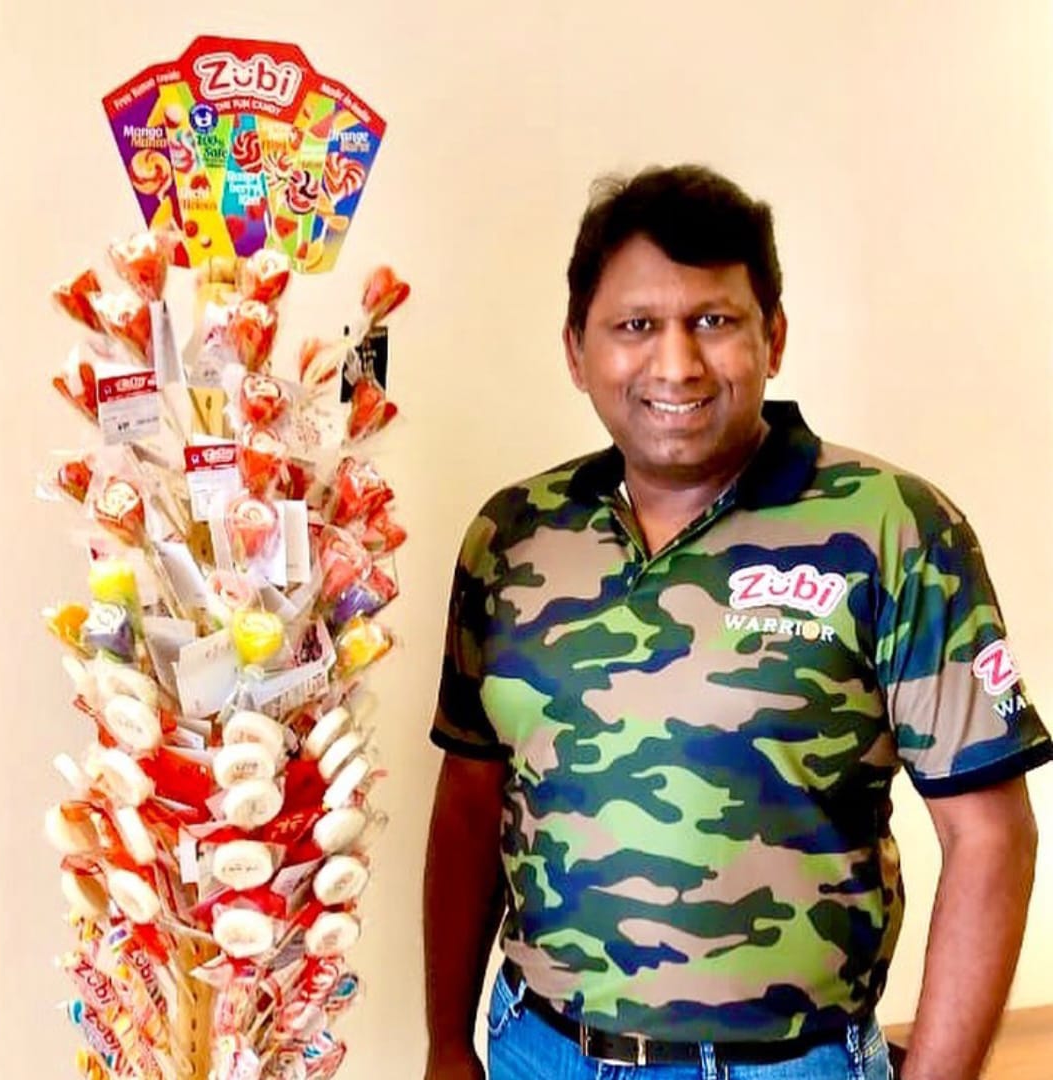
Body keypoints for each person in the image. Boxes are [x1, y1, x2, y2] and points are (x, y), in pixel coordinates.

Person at [422, 165, 1050, 1080]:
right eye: (636, 326)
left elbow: (991, 835)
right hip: (537, 1046)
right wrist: (447, 1042)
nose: (676, 364)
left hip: (784, 1064)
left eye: (713, 320)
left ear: (774, 337)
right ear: (576, 350)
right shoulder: (512, 535)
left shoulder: (892, 529)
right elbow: (471, 798)